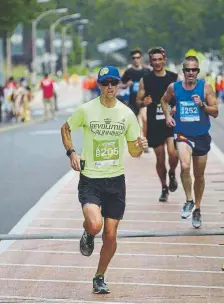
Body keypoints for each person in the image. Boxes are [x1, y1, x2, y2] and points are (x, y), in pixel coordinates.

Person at [61, 65, 148, 294]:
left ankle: (99, 276)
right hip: (91, 178)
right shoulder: (86, 110)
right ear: (99, 85)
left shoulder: (126, 113)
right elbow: (66, 129)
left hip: (116, 181)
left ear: (118, 84)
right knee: (96, 225)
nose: (110, 87)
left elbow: (134, 152)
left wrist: (139, 147)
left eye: (113, 83)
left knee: (110, 235)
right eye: (105, 83)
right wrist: (72, 153)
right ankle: (88, 233)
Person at [161, 56, 218, 228]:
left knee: (199, 176)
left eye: (194, 70)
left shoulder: (205, 87)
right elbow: (164, 100)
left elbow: (215, 112)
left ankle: (198, 208)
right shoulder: (174, 87)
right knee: (185, 166)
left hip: (201, 135)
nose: (191, 73)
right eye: (188, 70)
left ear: (198, 72)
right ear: (183, 71)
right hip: (182, 133)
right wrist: (168, 116)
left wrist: (202, 105)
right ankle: (189, 200)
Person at [137, 47, 179, 202]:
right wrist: (144, 101)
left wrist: (176, 107)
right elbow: (138, 101)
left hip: (171, 120)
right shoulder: (145, 80)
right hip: (155, 121)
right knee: (160, 158)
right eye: (154, 60)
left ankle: (172, 173)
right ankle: (164, 187)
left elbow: (182, 95)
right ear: (150, 61)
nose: (157, 63)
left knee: (173, 153)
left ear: (164, 60)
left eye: (159, 59)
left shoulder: (174, 77)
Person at [121, 48, 150, 141]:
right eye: (134, 58)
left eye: (138, 57)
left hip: (144, 100)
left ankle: (144, 139)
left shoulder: (146, 71)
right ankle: (139, 140)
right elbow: (119, 84)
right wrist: (126, 85)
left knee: (145, 119)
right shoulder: (129, 72)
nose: (136, 59)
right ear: (131, 59)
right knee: (136, 123)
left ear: (141, 58)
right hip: (133, 101)